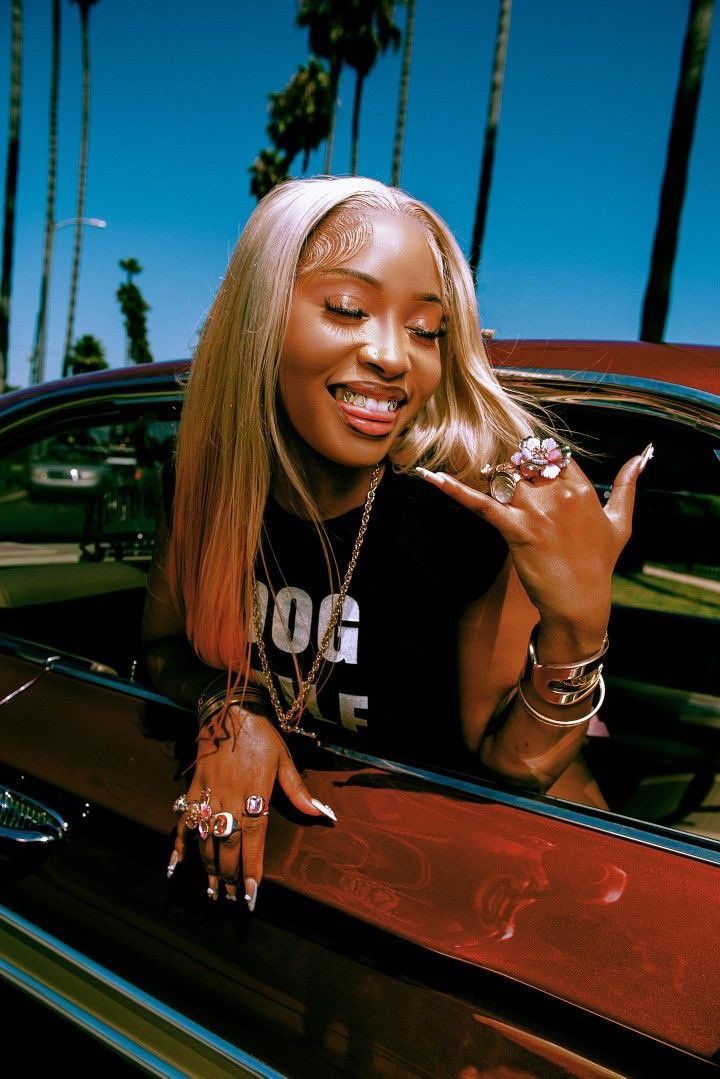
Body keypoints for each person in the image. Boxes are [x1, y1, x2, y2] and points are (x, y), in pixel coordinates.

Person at [142, 176, 651, 911]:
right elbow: (160, 652)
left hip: (507, 892)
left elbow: (510, 770)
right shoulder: (204, 487)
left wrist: (578, 624)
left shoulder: (458, 513)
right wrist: (232, 709)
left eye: (425, 330)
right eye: (348, 309)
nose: (393, 356)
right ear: (261, 316)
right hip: (322, 884)